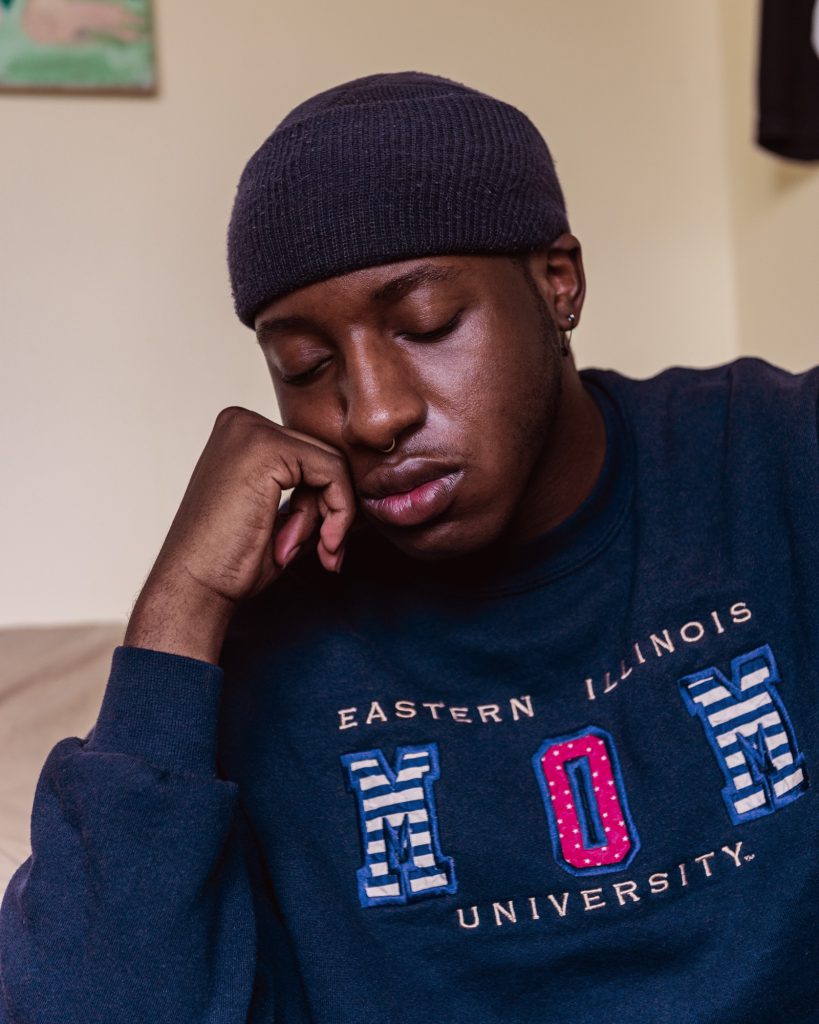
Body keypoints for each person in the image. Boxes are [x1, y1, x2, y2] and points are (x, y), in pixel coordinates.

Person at [1, 70, 818, 1024]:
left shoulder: (774, 459)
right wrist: (180, 605)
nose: (375, 412)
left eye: (425, 325)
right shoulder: (270, 628)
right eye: (303, 366)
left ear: (559, 282)